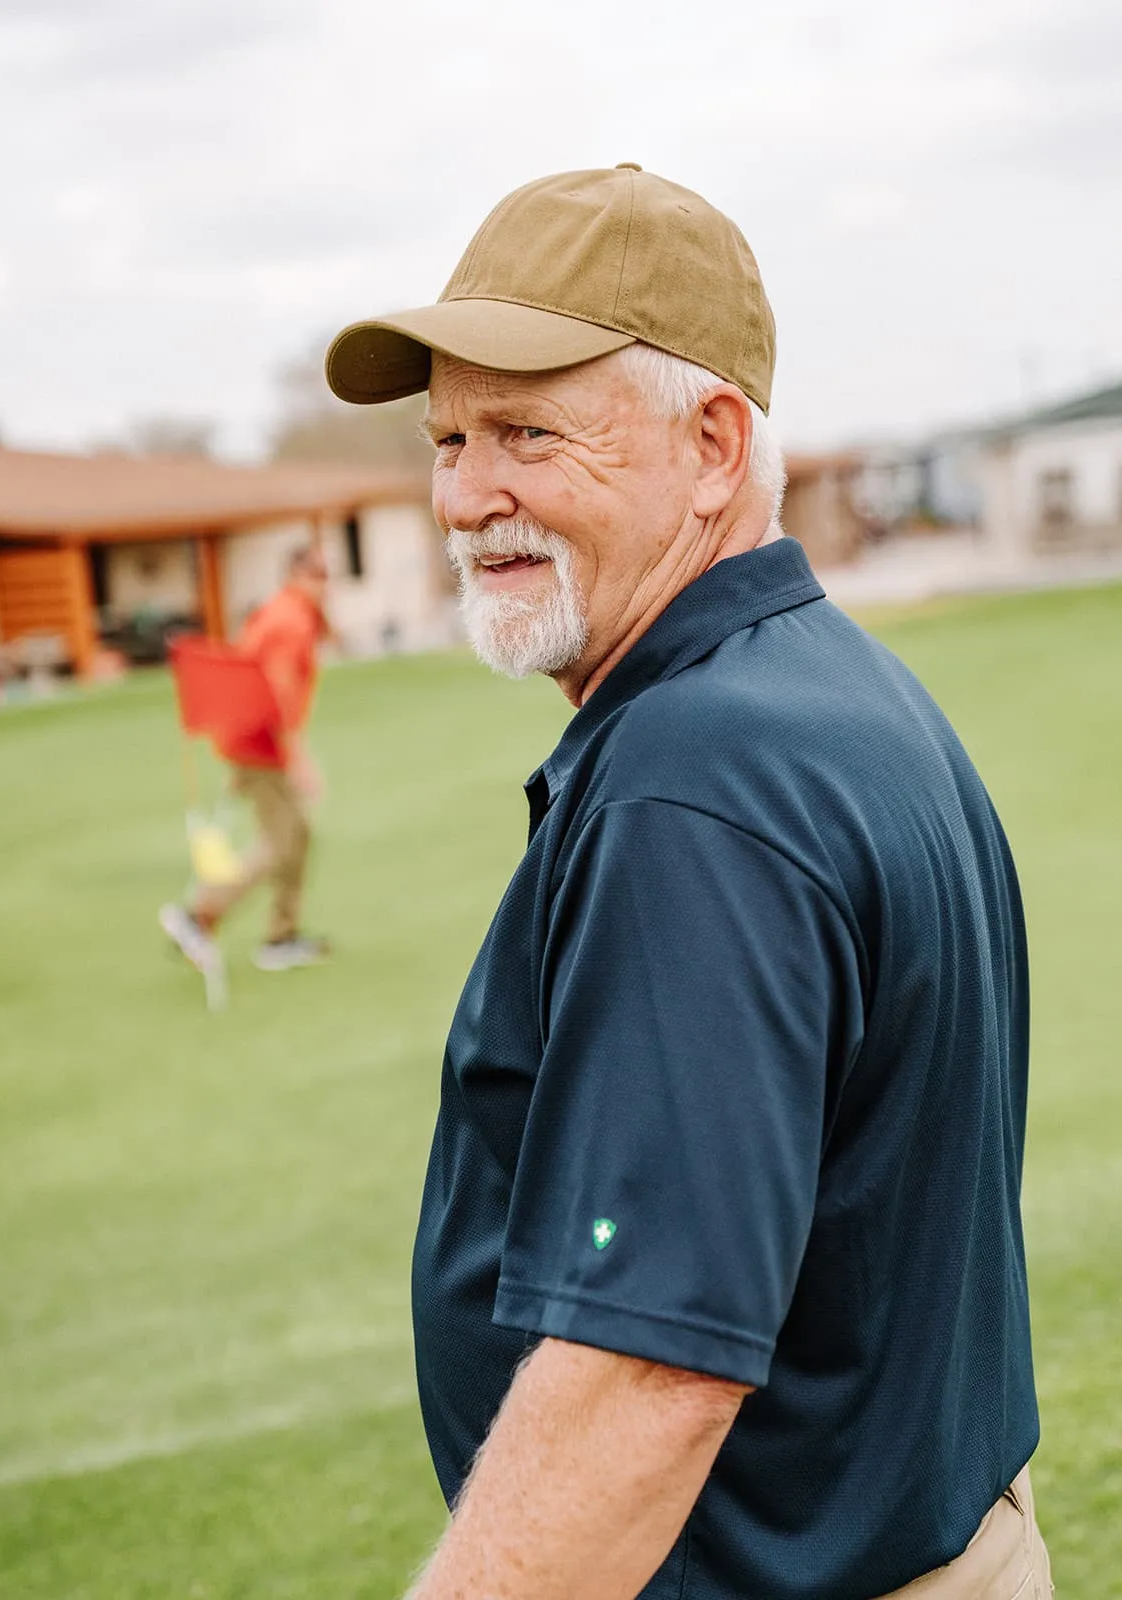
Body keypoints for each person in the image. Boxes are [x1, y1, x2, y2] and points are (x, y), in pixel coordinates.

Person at [326, 165, 1051, 1599]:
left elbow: (645, 1370)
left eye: (526, 431)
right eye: (450, 437)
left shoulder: (695, 777)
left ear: (715, 445)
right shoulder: (832, 687)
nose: (469, 496)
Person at [160, 545, 331, 976]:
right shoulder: (289, 620)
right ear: (295, 574)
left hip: (250, 743)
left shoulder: (284, 613)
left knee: (299, 834)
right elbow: (278, 693)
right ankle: (199, 916)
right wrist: (298, 758)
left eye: (327, 574)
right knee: (280, 842)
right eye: (316, 573)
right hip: (261, 746)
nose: (324, 583)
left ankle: (282, 935)